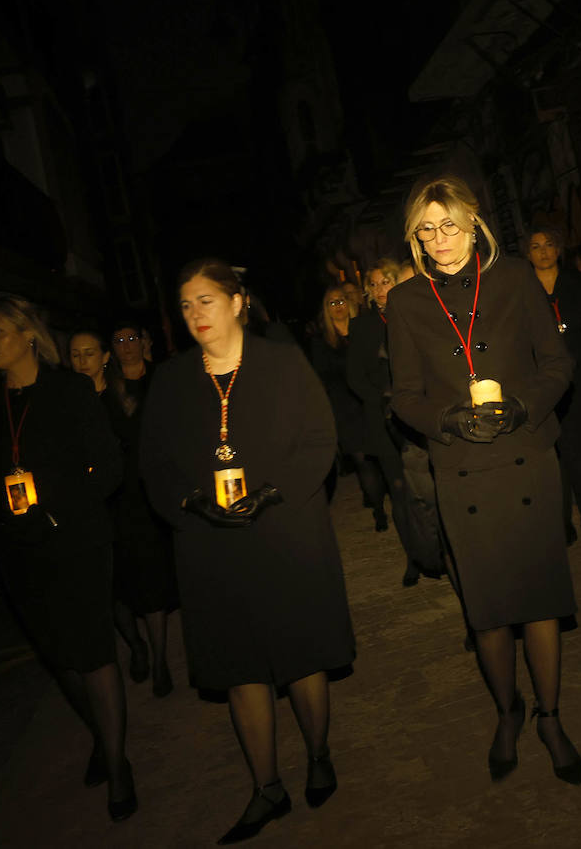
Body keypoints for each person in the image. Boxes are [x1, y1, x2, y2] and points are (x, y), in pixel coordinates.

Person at [140, 259, 354, 843]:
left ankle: (317, 754)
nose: (195, 315)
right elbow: (153, 465)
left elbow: (320, 438)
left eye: (205, 300)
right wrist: (190, 504)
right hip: (212, 548)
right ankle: (265, 787)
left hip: (285, 532)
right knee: (239, 668)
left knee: (301, 654)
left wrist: (273, 491)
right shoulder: (172, 380)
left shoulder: (282, 362)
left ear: (237, 302)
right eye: (185, 306)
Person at [385, 175, 581, 785]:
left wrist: (523, 407)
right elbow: (404, 398)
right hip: (463, 470)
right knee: (490, 611)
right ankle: (508, 711)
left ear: (474, 222)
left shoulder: (516, 277)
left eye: (450, 225)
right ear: (415, 236)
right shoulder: (405, 302)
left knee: (541, 602)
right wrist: (445, 419)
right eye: (427, 228)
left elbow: (557, 364)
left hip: (526, 456)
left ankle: (550, 716)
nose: (440, 240)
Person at [0, 294, 134, 821]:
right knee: (61, 659)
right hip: (21, 551)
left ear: (27, 334)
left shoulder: (69, 391)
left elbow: (107, 468)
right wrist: (6, 518)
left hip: (75, 541)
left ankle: (118, 762)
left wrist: (54, 507)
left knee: (92, 650)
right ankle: (102, 737)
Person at [346, 258, 444, 586]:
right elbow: (354, 377)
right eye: (372, 284)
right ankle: (414, 557)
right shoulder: (361, 326)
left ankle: (442, 548)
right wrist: (383, 398)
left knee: (431, 488)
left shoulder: (415, 312)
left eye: (384, 282)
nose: (378, 289)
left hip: (420, 416)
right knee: (400, 492)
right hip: (383, 419)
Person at [103, 317, 177, 697]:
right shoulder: (104, 390)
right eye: (119, 338)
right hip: (114, 494)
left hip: (151, 491)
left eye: (132, 336)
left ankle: (161, 661)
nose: (127, 344)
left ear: (143, 340)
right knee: (116, 586)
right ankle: (137, 645)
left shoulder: (162, 379)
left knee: (152, 581)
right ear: (112, 347)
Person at [526, 227, 581, 543]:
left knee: (580, 451)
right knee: (553, 453)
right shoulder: (523, 289)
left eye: (549, 244)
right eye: (535, 246)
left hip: (580, 378)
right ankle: (562, 521)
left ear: (558, 249)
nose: (543, 251)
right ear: (527, 253)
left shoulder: (579, 283)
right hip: (541, 383)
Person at [310, 286, 388, 530]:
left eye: (341, 301)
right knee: (362, 460)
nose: (338, 306)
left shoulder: (362, 329)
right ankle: (378, 511)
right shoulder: (321, 342)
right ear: (326, 309)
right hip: (344, 409)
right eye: (332, 303)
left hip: (370, 401)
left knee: (381, 457)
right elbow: (320, 379)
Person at [69, 329, 111, 395]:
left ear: (105, 357)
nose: (82, 361)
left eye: (89, 354)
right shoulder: (65, 394)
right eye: (76, 355)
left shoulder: (121, 394)